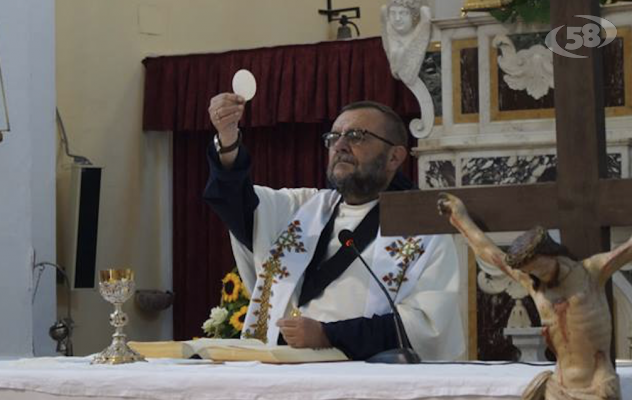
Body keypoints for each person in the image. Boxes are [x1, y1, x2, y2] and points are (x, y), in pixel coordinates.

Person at [203, 93, 464, 361]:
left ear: (394, 157)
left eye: (356, 136)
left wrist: (327, 334)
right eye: (333, 137)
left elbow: (425, 326)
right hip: (282, 373)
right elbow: (236, 203)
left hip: (366, 380)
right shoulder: (303, 208)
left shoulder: (422, 229)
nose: (339, 145)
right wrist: (227, 140)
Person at [437, 192, 632, 399]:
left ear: (552, 253)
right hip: (559, 388)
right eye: (533, 272)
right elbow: (488, 251)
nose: (538, 276)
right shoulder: (533, 283)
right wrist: (460, 217)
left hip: (597, 388)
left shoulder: (591, 272)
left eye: (541, 268)